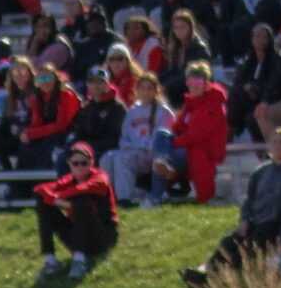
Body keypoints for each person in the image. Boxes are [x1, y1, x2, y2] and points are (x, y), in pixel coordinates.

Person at [180, 127, 281, 283]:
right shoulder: (261, 172)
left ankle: (215, 276)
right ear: (269, 146)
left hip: (278, 224)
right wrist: (244, 219)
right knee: (229, 242)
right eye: (274, 142)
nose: (278, 146)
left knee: (251, 245)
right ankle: (204, 270)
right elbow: (249, 200)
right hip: (256, 220)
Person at [34, 142, 118, 279]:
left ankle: (79, 260)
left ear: (92, 162)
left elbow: (84, 189)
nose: (79, 167)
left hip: (103, 236)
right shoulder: (69, 180)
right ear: (69, 164)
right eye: (75, 163)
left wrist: (57, 199)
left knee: (81, 201)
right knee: (43, 202)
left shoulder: (100, 178)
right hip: (79, 234)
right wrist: (54, 199)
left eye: (84, 163)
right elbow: (39, 190)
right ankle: (50, 259)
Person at [151, 61, 227, 204]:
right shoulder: (192, 103)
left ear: (206, 82)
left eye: (198, 81)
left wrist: (173, 142)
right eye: (191, 82)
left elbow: (196, 135)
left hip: (204, 151)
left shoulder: (213, 104)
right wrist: (171, 138)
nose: (194, 86)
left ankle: (156, 196)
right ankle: (162, 166)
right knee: (161, 136)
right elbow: (177, 126)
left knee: (162, 151)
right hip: (188, 147)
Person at [103, 71, 174, 202]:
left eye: (149, 88)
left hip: (153, 155)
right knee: (108, 157)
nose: (145, 92)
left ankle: (125, 198)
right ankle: (108, 196)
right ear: (137, 90)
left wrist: (141, 147)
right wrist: (128, 147)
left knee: (121, 159)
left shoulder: (163, 111)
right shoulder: (132, 111)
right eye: (142, 88)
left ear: (156, 90)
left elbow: (165, 137)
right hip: (133, 152)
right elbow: (124, 137)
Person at [20, 68, 82, 173]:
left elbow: (61, 125)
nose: (45, 82)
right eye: (41, 79)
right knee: (26, 146)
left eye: (48, 77)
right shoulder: (38, 98)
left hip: (68, 135)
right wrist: (27, 133)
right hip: (49, 135)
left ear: (55, 79)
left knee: (48, 145)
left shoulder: (66, 94)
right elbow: (36, 123)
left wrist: (32, 134)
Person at [226, 21, 277, 139]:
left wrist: (255, 88)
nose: (260, 40)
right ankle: (229, 131)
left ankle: (230, 130)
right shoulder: (247, 62)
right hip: (246, 99)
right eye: (257, 36)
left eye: (264, 36)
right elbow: (239, 82)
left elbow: (274, 84)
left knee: (251, 116)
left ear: (269, 39)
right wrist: (247, 88)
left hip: (266, 99)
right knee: (236, 93)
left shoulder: (276, 61)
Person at [71, 67, 127, 165]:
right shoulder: (86, 107)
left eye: (100, 82)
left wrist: (89, 147)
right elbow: (80, 133)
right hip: (86, 150)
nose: (96, 86)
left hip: (107, 151)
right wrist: (76, 146)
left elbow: (114, 138)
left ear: (107, 84)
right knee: (64, 157)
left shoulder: (117, 107)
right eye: (92, 82)